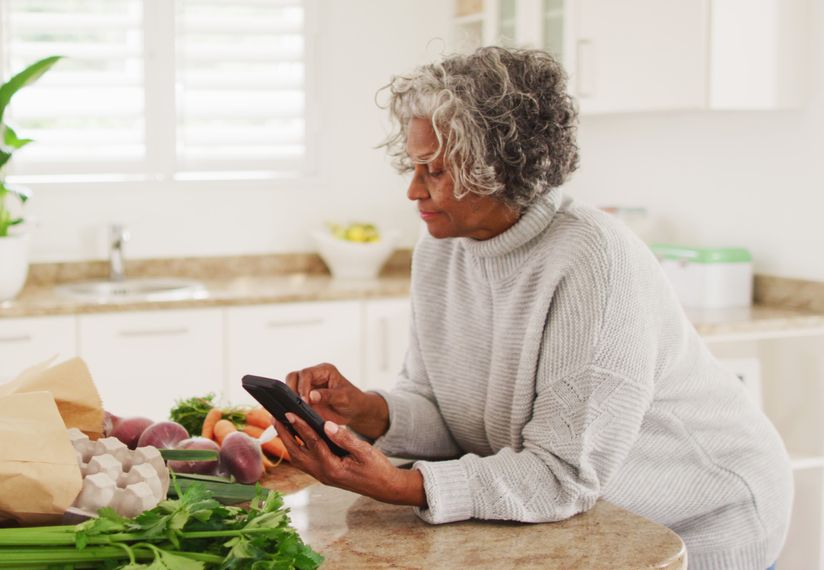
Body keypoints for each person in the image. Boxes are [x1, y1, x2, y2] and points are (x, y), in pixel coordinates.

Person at [273, 47, 792, 570]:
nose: (413, 190)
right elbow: (444, 411)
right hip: (593, 515)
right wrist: (368, 411)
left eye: (434, 171)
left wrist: (403, 485)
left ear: (497, 168)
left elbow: (562, 474)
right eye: (413, 166)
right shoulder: (442, 246)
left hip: (700, 518)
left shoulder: (593, 261)